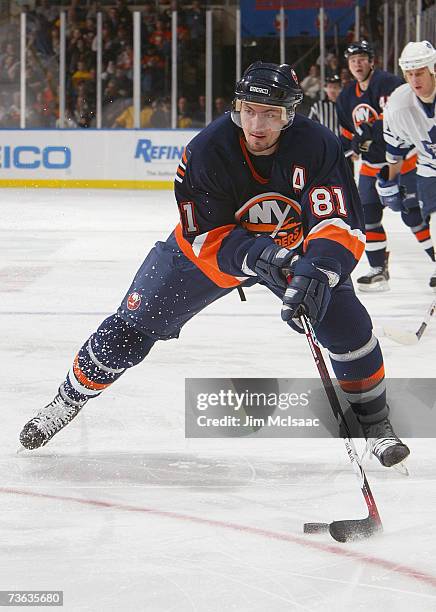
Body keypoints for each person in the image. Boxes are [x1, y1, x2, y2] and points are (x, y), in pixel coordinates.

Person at [19, 62, 409, 469]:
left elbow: (338, 221)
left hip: (293, 252)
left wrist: (322, 270)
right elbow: (204, 236)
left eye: (271, 114)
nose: (257, 124)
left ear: (290, 114)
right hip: (211, 257)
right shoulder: (207, 150)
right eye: (249, 110)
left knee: (348, 325)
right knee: (132, 325)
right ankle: (67, 399)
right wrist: (254, 255)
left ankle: (375, 425)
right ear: (237, 107)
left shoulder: (318, 146)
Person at [336, 41, 434, 291]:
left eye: (361, 58)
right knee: (367, 215)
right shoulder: (346, 96)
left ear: (372, 61)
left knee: (413, 215)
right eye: (352, 60)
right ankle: (378, 269)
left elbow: (390, 122)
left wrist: (373, 130)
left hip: (409, 161)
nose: (357, 64)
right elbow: (349, 136)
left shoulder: (389, 83)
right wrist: (352, 152)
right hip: (374, 166)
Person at [380, 41, 436, 289]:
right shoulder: (398, 104)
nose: (415, 79)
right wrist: (388, 181)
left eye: (420, 72)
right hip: (430, 168)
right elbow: (395, 152)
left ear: (433, 69)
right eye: (410, 74)